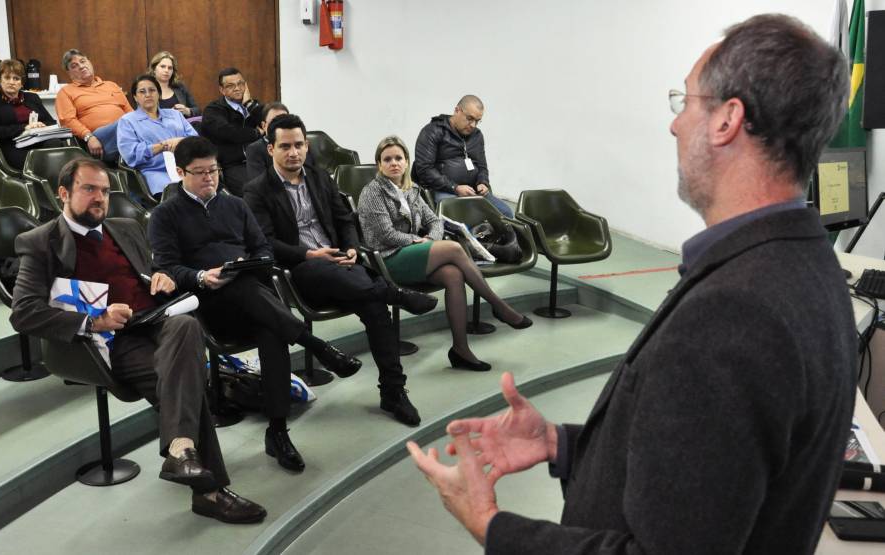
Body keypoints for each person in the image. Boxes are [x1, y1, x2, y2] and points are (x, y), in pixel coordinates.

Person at [408, 14, 857, 554]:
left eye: (685, 102)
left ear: (727, 121)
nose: (674, 125)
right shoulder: (804, 265)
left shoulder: (735, 312)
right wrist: (561, 445)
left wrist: (490, 524)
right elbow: (707, 474)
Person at [10, 158, 266, 524]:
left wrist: (161, 278)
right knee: (185, 382)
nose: (99, 198)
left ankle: (181, 451)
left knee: (186, 325)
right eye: (88, 189)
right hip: (112, 341)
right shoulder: (40, 243)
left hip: (156, 321)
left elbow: (150, 269)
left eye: (104, 191)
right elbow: (23, 313)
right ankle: (208, 490)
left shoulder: (126, 227)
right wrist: (94, 321)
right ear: (63, 193)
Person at [148, 136, 361, 473]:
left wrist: (248, 264)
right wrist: (202, 276)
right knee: (250, 294)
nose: (209, 178)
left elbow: (263, 249)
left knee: (269, 325)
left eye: (213, 170)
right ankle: (315, 345)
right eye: (200, 172)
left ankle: (278, 431)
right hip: (207, 306)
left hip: (251, 300)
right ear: (180, 172)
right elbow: (166, 267)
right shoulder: (165, 214)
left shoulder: (235, 205)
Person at [243, 115, 438, 427]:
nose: (294, 152)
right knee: (363, 289)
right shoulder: (257, 190)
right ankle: (394, 293)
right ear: (271, 150)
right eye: (285, 146)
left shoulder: (319, 177)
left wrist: (350, 248)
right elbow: (265, 242)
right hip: (300, 271)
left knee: (376, 308)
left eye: (299, 145)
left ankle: (393, 391)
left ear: (306, 146)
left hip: (343, 267)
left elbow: (345, 219)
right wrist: (309, 253)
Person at [358, 136, 531, 372]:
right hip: (387, 258)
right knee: (454, 248)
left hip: (412, 253)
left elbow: (434, 221)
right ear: (379, 164)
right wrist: (417, 240)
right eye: (387, 159)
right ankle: (499, 306)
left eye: (399, 158)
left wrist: (430, 239)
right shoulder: (372, 192)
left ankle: (461, 350)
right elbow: (385, 235)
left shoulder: (411, 190)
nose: (394, 163)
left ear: (406, 162)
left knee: (453, 275)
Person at [412, 95, 513, 217]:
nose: (473, 125)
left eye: (477, 121)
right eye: (470, 118)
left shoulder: (477, 136)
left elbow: (482, 167)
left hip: (472, 191)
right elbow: (424, 169)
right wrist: (455, 187)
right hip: (442, 189)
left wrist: (483, 182)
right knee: (466, 216)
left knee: (506, 213)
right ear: (457, 110)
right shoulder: (433, 131)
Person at [117, 74, 198, 197]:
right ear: (135, 97)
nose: (148, 95)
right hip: (156, 172)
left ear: (159, 94)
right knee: (176, 196)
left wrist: (181, 141)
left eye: (152, 90)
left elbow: (196, 141)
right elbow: (131, 154)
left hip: (187, 168)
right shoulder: (127, 121)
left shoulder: (175, 114)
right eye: (142, 91)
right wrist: (162, 146)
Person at [0, 59, 63, 170]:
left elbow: (51, 122)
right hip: (11, 145)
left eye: (16, 78)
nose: (11, 82)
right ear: (0, 80)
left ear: (22, 82)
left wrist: (40, 125)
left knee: (56, 146)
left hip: (37, 141)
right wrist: (24, 128)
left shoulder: (32, 97)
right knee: (41, 162)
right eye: (7, 78)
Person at [56, 49, 132, 159]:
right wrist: (89, 137)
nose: (81, 66)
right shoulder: (65, 92)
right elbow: (68, 121)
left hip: (125, 131)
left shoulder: (111, 85)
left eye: (83, 61)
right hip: (98, 139)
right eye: (74, 66)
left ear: (90, 63)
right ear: (69, 73)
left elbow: (130, 112)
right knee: (126, 124)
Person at [201, 67, 265, 196]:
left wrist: (249, 104)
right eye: (230, 86)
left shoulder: (253, 106)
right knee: (255, 192)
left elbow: (271, 125)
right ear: (222, 90)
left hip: (260, 160)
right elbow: (229, 132)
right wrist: (257, 133)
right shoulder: (213, 110)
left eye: (240, 84)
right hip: (233, 164)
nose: (237, 88)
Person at [147, 51, 200, 118]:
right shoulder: (146, 90)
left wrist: (187, 111)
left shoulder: (179, 87)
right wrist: (169, 114)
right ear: (154, 69)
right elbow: (143, 116)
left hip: (182, 124)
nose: (166, 70)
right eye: (162, 66)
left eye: (170, 68)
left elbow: (198, 110)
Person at [246, 101, 289, 179]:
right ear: (264, 126)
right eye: (274, 122)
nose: (280, 126)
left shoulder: (299, 144)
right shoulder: (255, 149)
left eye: (284, 121)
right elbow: (258, 182)